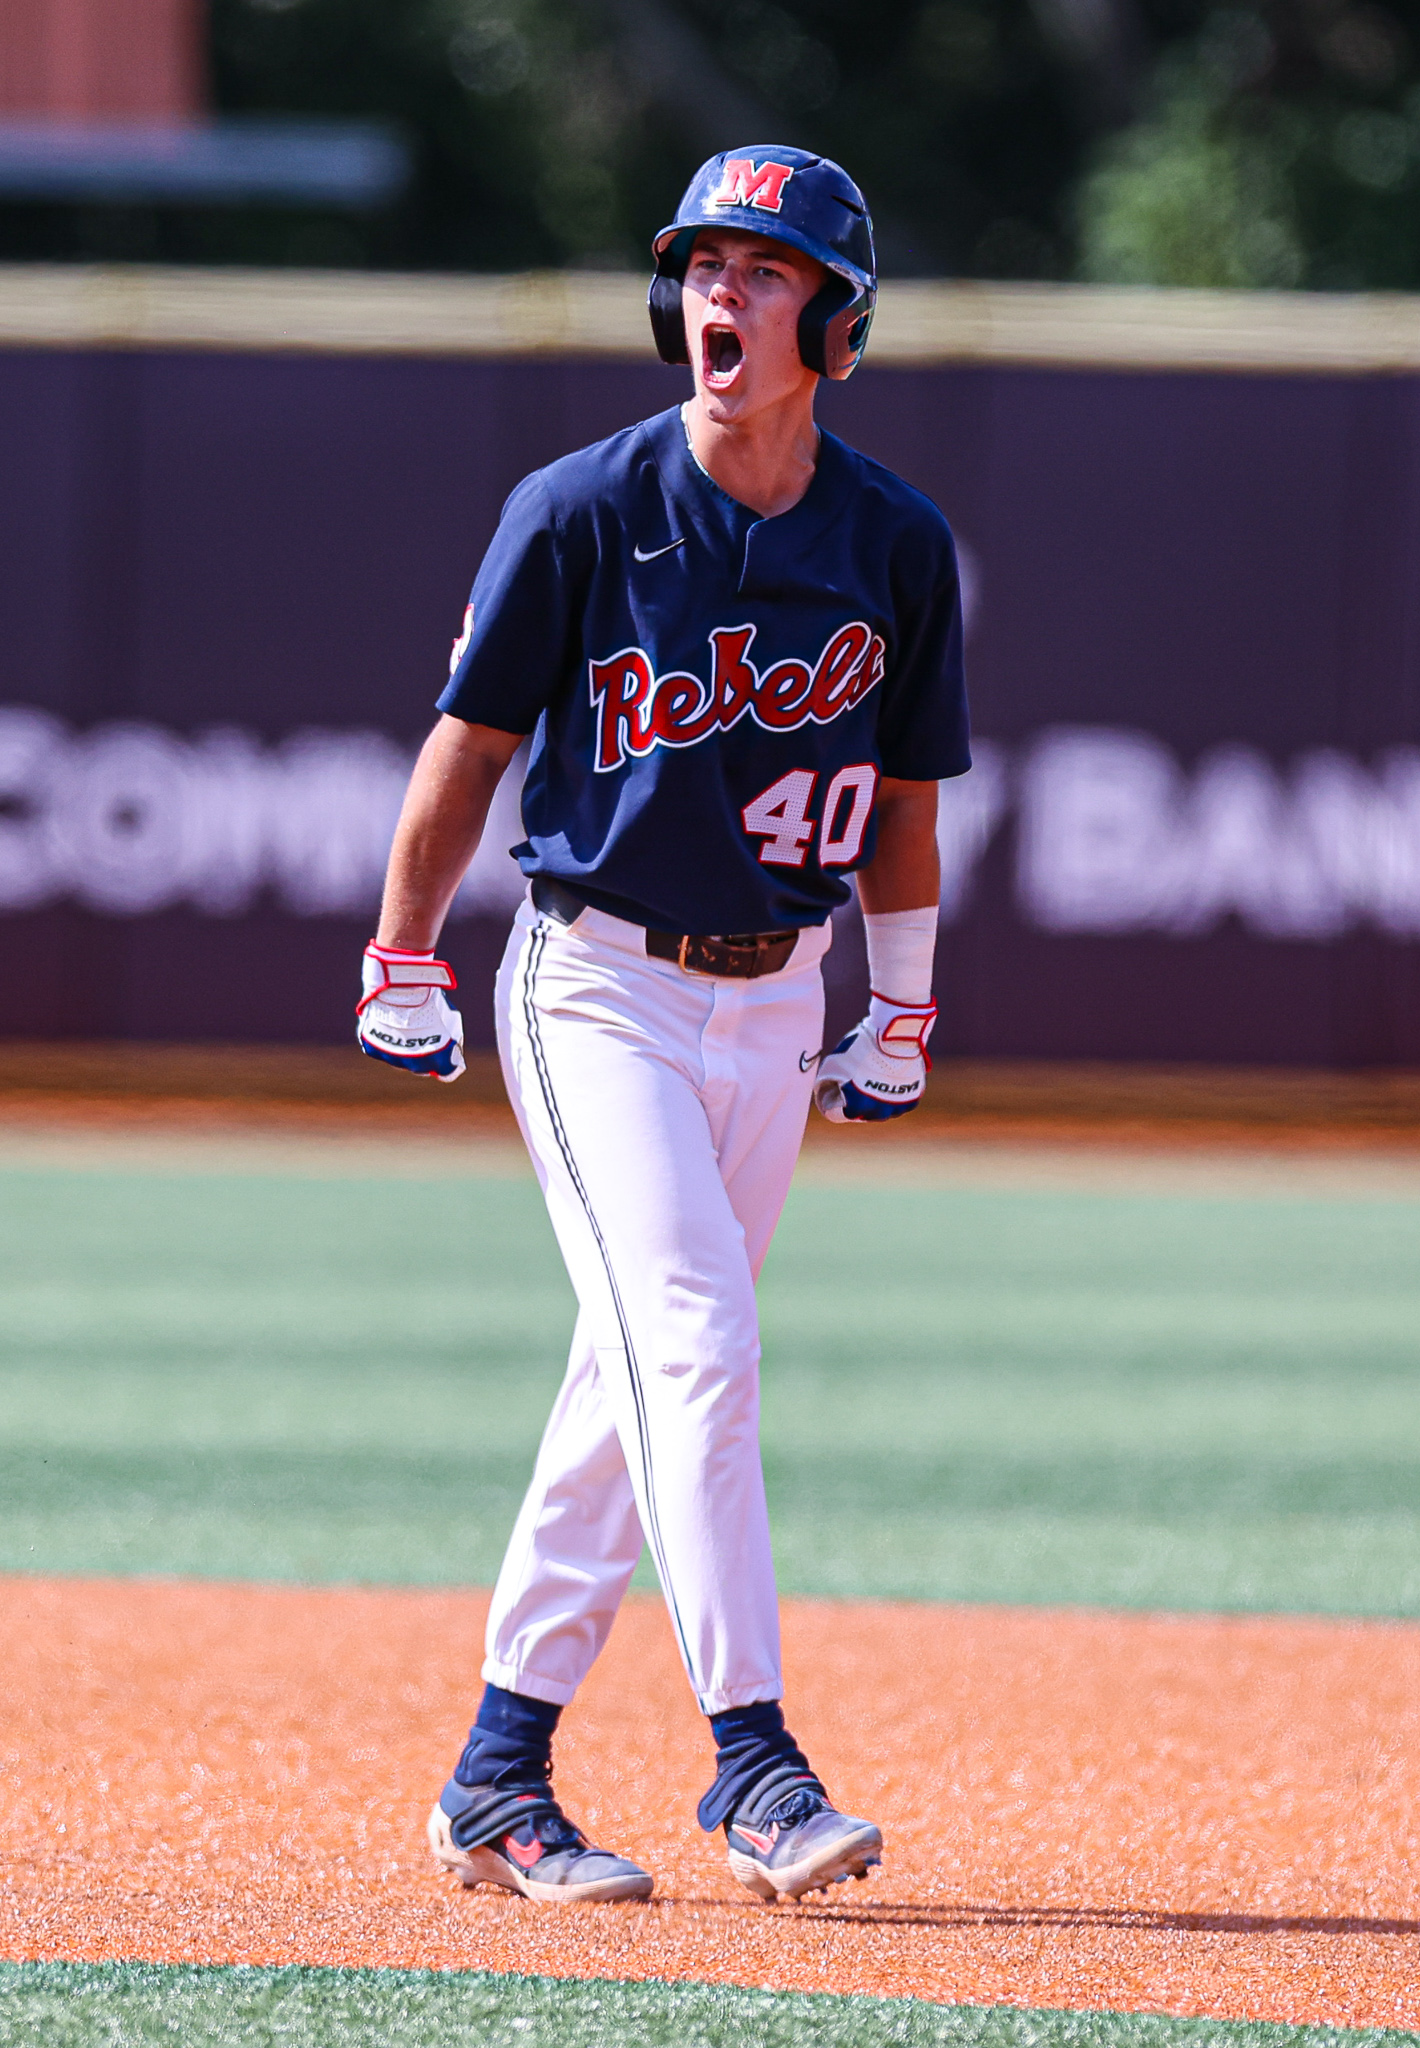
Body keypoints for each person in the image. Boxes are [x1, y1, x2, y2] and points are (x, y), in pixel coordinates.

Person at [357, 145, 970, 1906]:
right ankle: (754, 1767)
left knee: (627, 1387)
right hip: (596, 984)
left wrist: (904, 998)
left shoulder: (893, 542)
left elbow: (907, 795)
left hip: (779, 1002)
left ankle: (495, 1779)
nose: (725, 293)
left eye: (768, 272)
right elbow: (468, 749)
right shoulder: (579, 505)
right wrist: (404, 949)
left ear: (833, 321)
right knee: (691, 1344)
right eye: (705, 262)